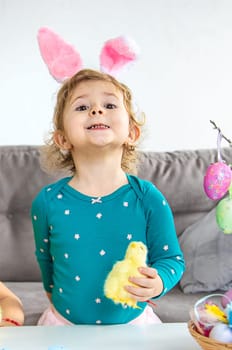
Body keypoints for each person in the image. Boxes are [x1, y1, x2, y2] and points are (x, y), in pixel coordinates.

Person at [31, 68, 185, 326]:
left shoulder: (147, 197)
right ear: (62, 139)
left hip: (134, 326)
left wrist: (157, 281)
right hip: (63, 326)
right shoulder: (47, 202)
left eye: (109, 104)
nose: (96, 110)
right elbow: (45, 260)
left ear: (132, 134)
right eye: (82, 107)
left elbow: (171, 260)